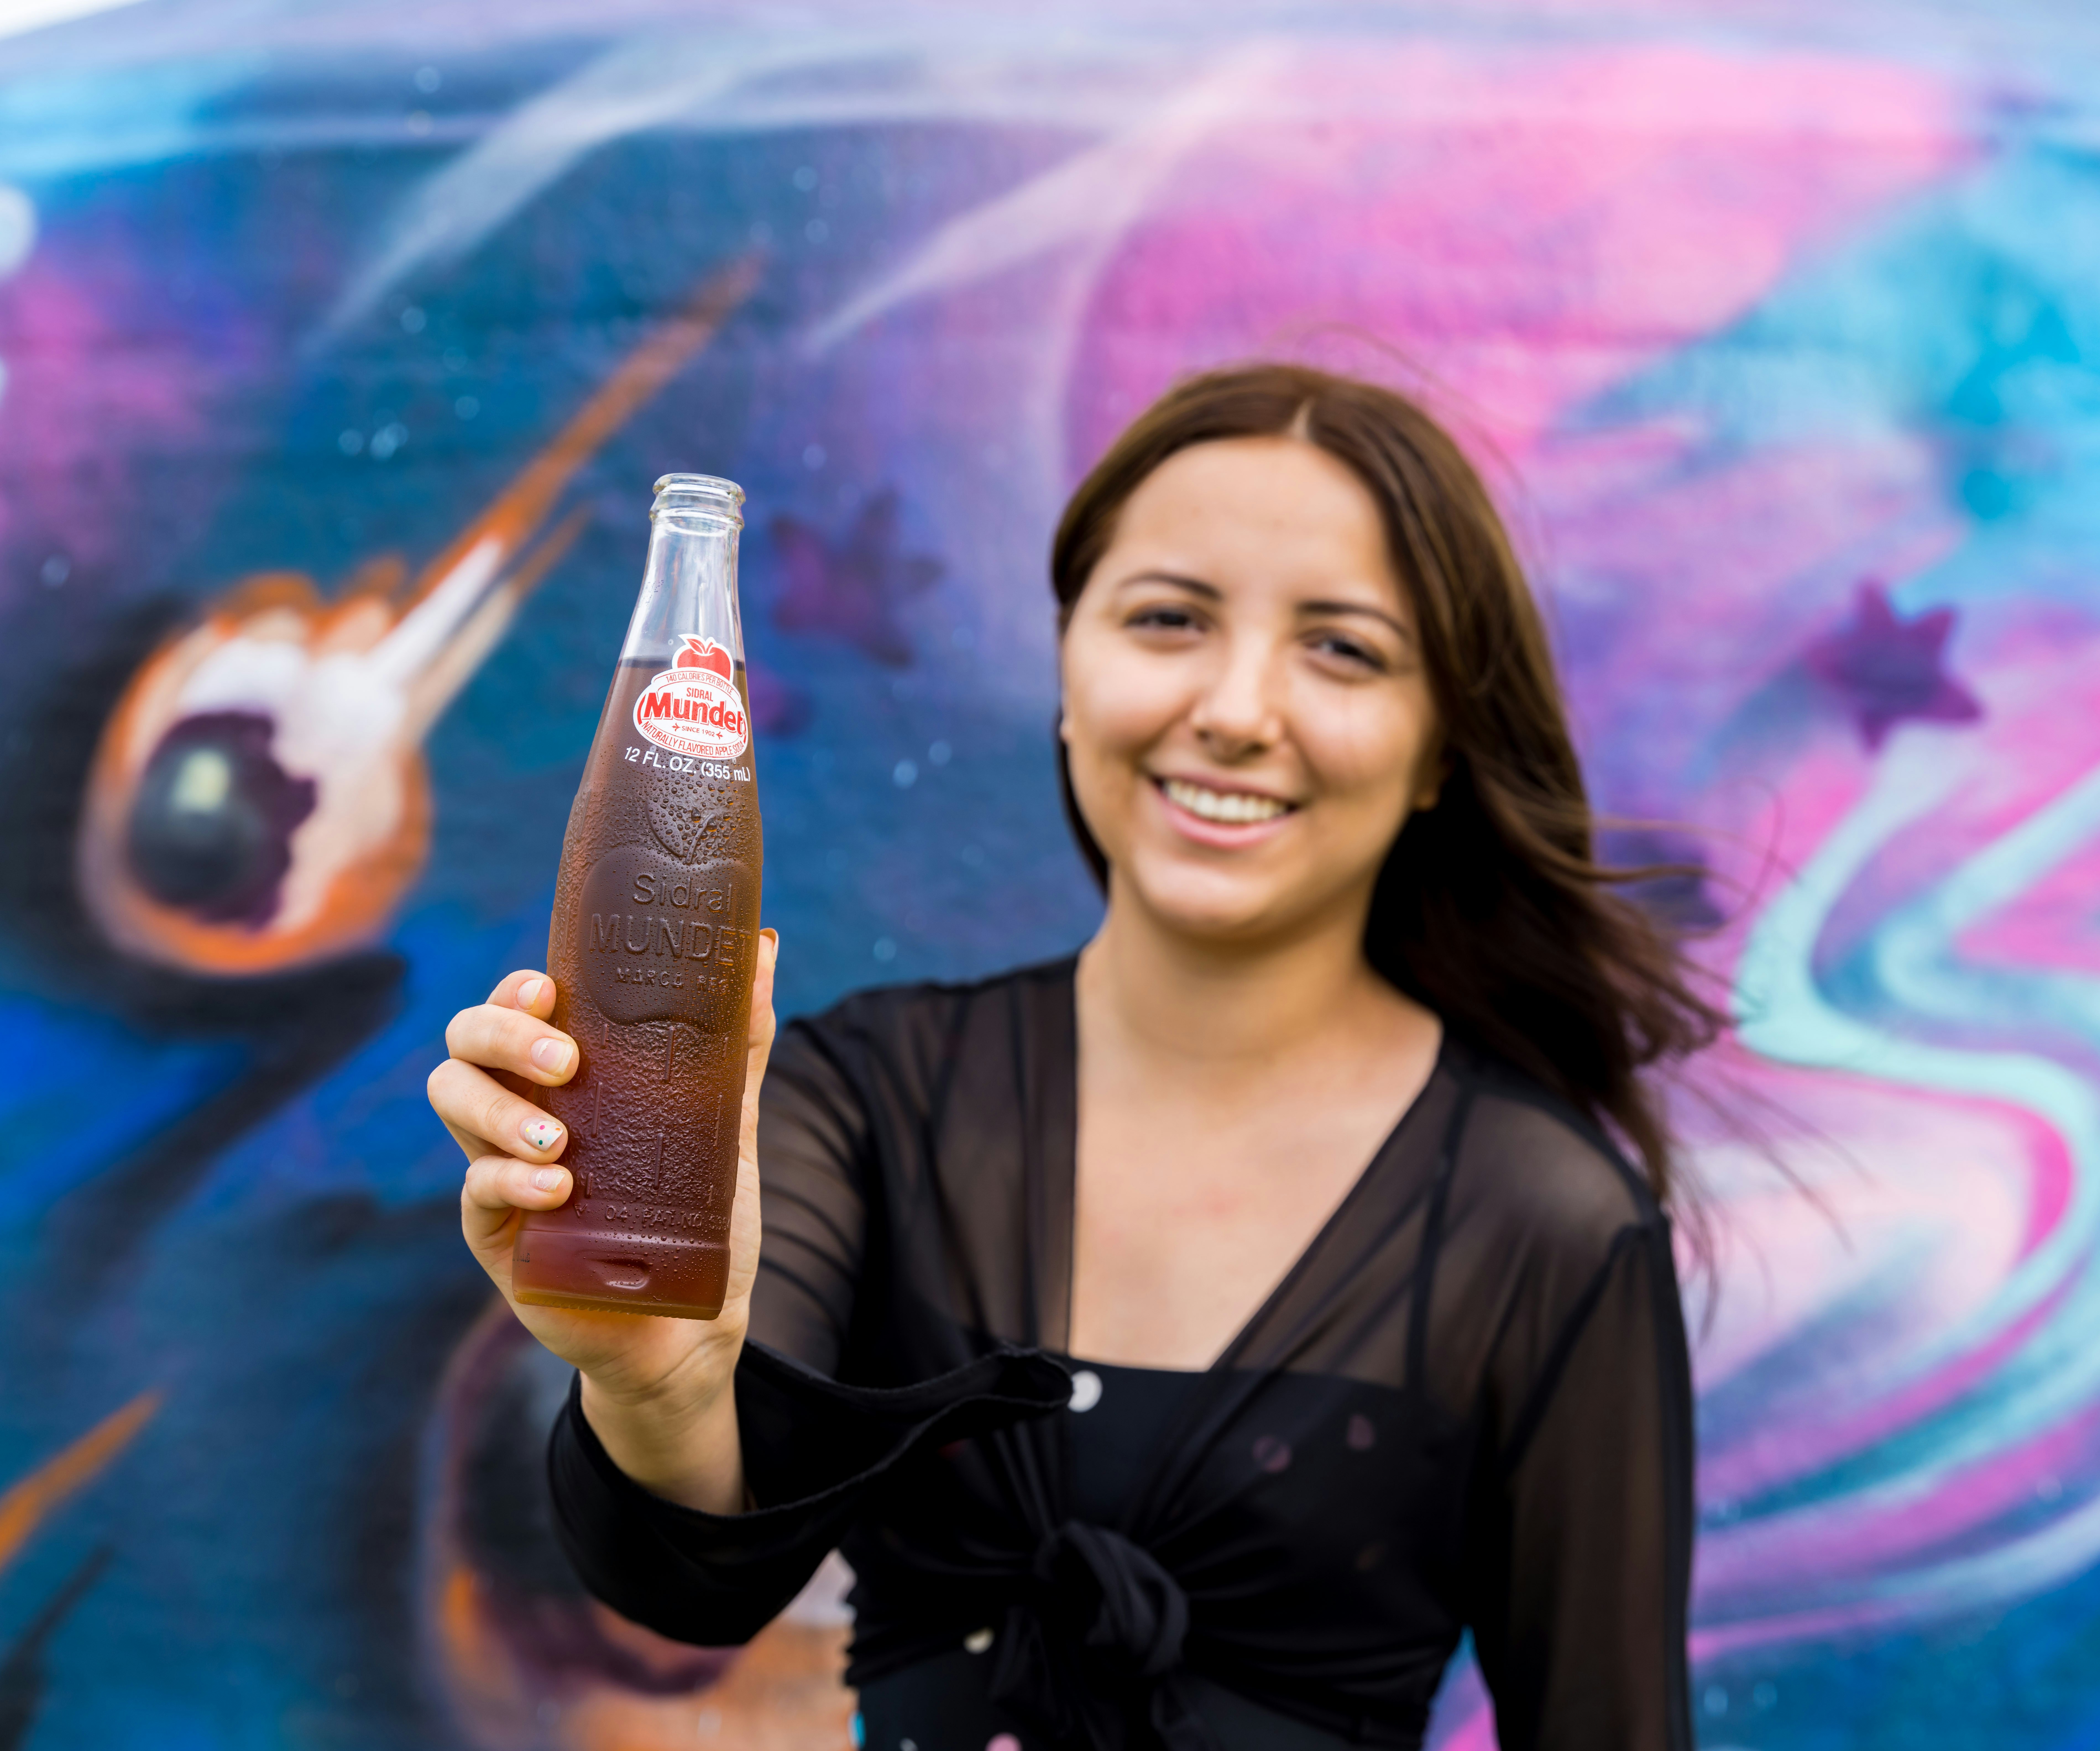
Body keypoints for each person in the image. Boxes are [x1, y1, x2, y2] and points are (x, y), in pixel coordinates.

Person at [428, 364, 1719, 1750]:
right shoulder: (866, 1098)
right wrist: (657, 1385)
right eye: (1167, 620)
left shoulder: (1555, 1222)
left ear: (1439, 753)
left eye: (1341, 648)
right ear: (1067, 673)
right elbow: (693, 1580)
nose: (1234, 708)